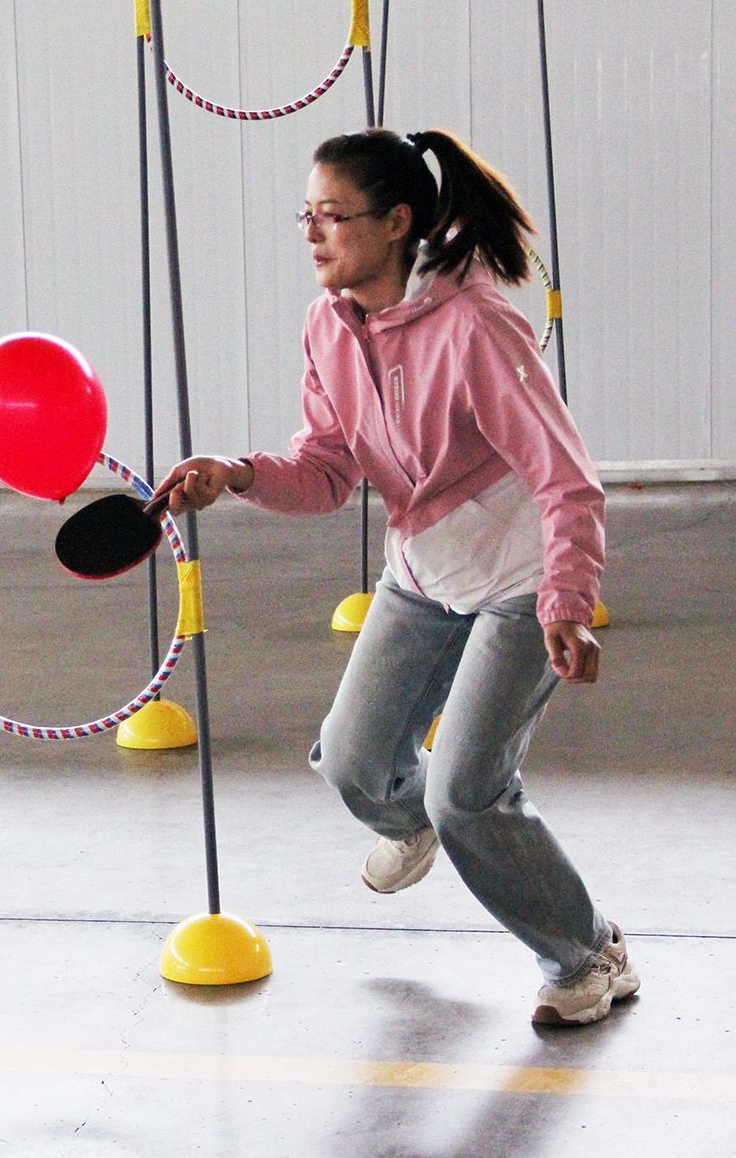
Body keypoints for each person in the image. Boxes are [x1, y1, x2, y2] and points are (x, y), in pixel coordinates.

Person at [149, 128, 637, 1027]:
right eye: (306, 215)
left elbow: (567, 477)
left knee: (467, 795)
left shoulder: (476, 325)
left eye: (333, 216)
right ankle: (418, 823)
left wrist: (567, 599)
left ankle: (586, 956)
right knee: (355, 762)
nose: (312, 233)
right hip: (421, 571)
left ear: (397, 221)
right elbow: (326, 473)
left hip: (519, 577)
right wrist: (237, 473)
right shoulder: (328, 326)